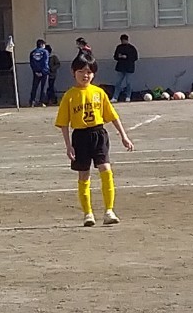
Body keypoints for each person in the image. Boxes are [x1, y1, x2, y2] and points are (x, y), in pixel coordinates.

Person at [55, 53, 134, 228]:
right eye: (81, 71)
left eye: (89, 72)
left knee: (105, 169)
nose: (85, 75)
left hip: (98, 134)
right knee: (84, 174)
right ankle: (88, 213)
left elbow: (113, 116)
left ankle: (109, 211)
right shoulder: (69, 96)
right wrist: (68, 147)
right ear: (73, 72)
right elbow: (63, 124)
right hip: (80, 137)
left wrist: (124, 136)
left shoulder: (99, 93)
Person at [112, 34, 138, 103]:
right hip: (120, 68)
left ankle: (128, 96)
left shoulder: (131, 48)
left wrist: (126, 57)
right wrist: (119, 57)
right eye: (122, 40)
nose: (123, 42)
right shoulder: (119, 47)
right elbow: (115, 57)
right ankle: (115, 97)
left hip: (129, 68)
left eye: (124, 40)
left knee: (128, 83)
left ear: (127, 40)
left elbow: (135, 58)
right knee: (118, 83)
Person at [28, 38, 51, 106]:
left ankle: (32, 101)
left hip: (35, 72)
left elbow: (31, 63)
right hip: (44, 72)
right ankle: (42, 102)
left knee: (34, 87)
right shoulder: (45, 52)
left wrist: (35, 71)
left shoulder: (32, 52)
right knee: (43, 87)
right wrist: (43, 71)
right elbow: (45, 62)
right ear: (42, 44)